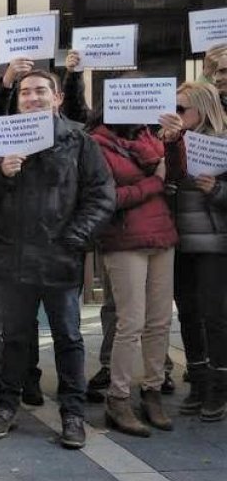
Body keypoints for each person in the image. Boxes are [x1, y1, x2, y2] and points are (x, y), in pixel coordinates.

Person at [0, 69, 115, 450]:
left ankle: (72, 413)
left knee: (68, 337)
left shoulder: (79, 142)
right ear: (17, 102)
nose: (32, 98)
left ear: (56, 99)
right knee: (14, 338)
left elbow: (101, 195)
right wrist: (1, 175)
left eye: (40, 92)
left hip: (59, 258)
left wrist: (75, 238)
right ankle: (6, 406)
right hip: (11, 258)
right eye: (25, 93)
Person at [87, 111, 177, 436]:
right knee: (131, 323)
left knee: (160, 321)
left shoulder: (150, 137)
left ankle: (152, 391)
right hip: (124, 240)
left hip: (162, 236)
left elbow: (176, 174)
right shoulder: (97, 143)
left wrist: (174, 141)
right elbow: (108, 198)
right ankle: (119, 397)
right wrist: (154, 182)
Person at [159, 81, 227, 421]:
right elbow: (167, 181)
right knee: (187, 315)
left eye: (182, 108)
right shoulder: (173, 141)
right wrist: (170, 147)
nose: (176, 114)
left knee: (215, 318)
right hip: (180, 241)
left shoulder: (223, 142)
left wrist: (217, 190)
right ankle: (199, 382)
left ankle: (219, 387)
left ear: (202, 108)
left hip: (214, 245)